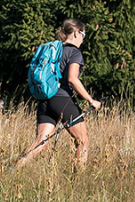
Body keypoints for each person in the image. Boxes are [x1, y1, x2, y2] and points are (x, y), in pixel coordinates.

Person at [14, 18, 102, 168]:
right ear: (76, 33)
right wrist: (90, 100)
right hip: (62, 99)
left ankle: (13, 170)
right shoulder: (74, 53)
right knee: (83, 140)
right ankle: (76, 183)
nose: (82, 39)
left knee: (41, 142)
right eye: (83, 35)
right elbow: (72, 79)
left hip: (46, 98)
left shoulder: (55, 49)